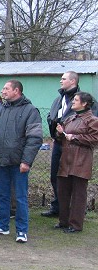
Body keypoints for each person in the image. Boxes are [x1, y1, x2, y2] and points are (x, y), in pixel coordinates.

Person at [0, 80, 42, 243]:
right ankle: (2, 226)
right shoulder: (1, 110)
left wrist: (26, 161)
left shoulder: (30, 111)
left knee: (20, 197)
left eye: (6, 88)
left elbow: (35, 138)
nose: (2, 91)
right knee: (2, 195)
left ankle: (22, 230)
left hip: (19, 163)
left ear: (16, 91)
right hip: (1, 161)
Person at [43, 71, 98, 217]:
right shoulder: (58, 99)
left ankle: (76, 213)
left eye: (63, 79)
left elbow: (92, 123)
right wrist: (54, 125)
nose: (60, 81)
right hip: (59, 141)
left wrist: (73, 134)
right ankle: (58, 207)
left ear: (73, 81)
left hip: (77, 148)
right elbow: (52, 115)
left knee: (75, 181)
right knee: (56, 176)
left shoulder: (84, 99)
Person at [54, 92, 98, 233]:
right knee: (63, 192)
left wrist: (75, 137)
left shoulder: (92, 120)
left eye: (76, 100)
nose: (73, 102)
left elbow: (94, 139)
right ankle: (63, 221)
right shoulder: (70, 118)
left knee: (78, 194)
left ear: (84, 103)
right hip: (66, 160)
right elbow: (60, 139)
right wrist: (60, 133)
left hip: (81, 161)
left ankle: (76, 225)